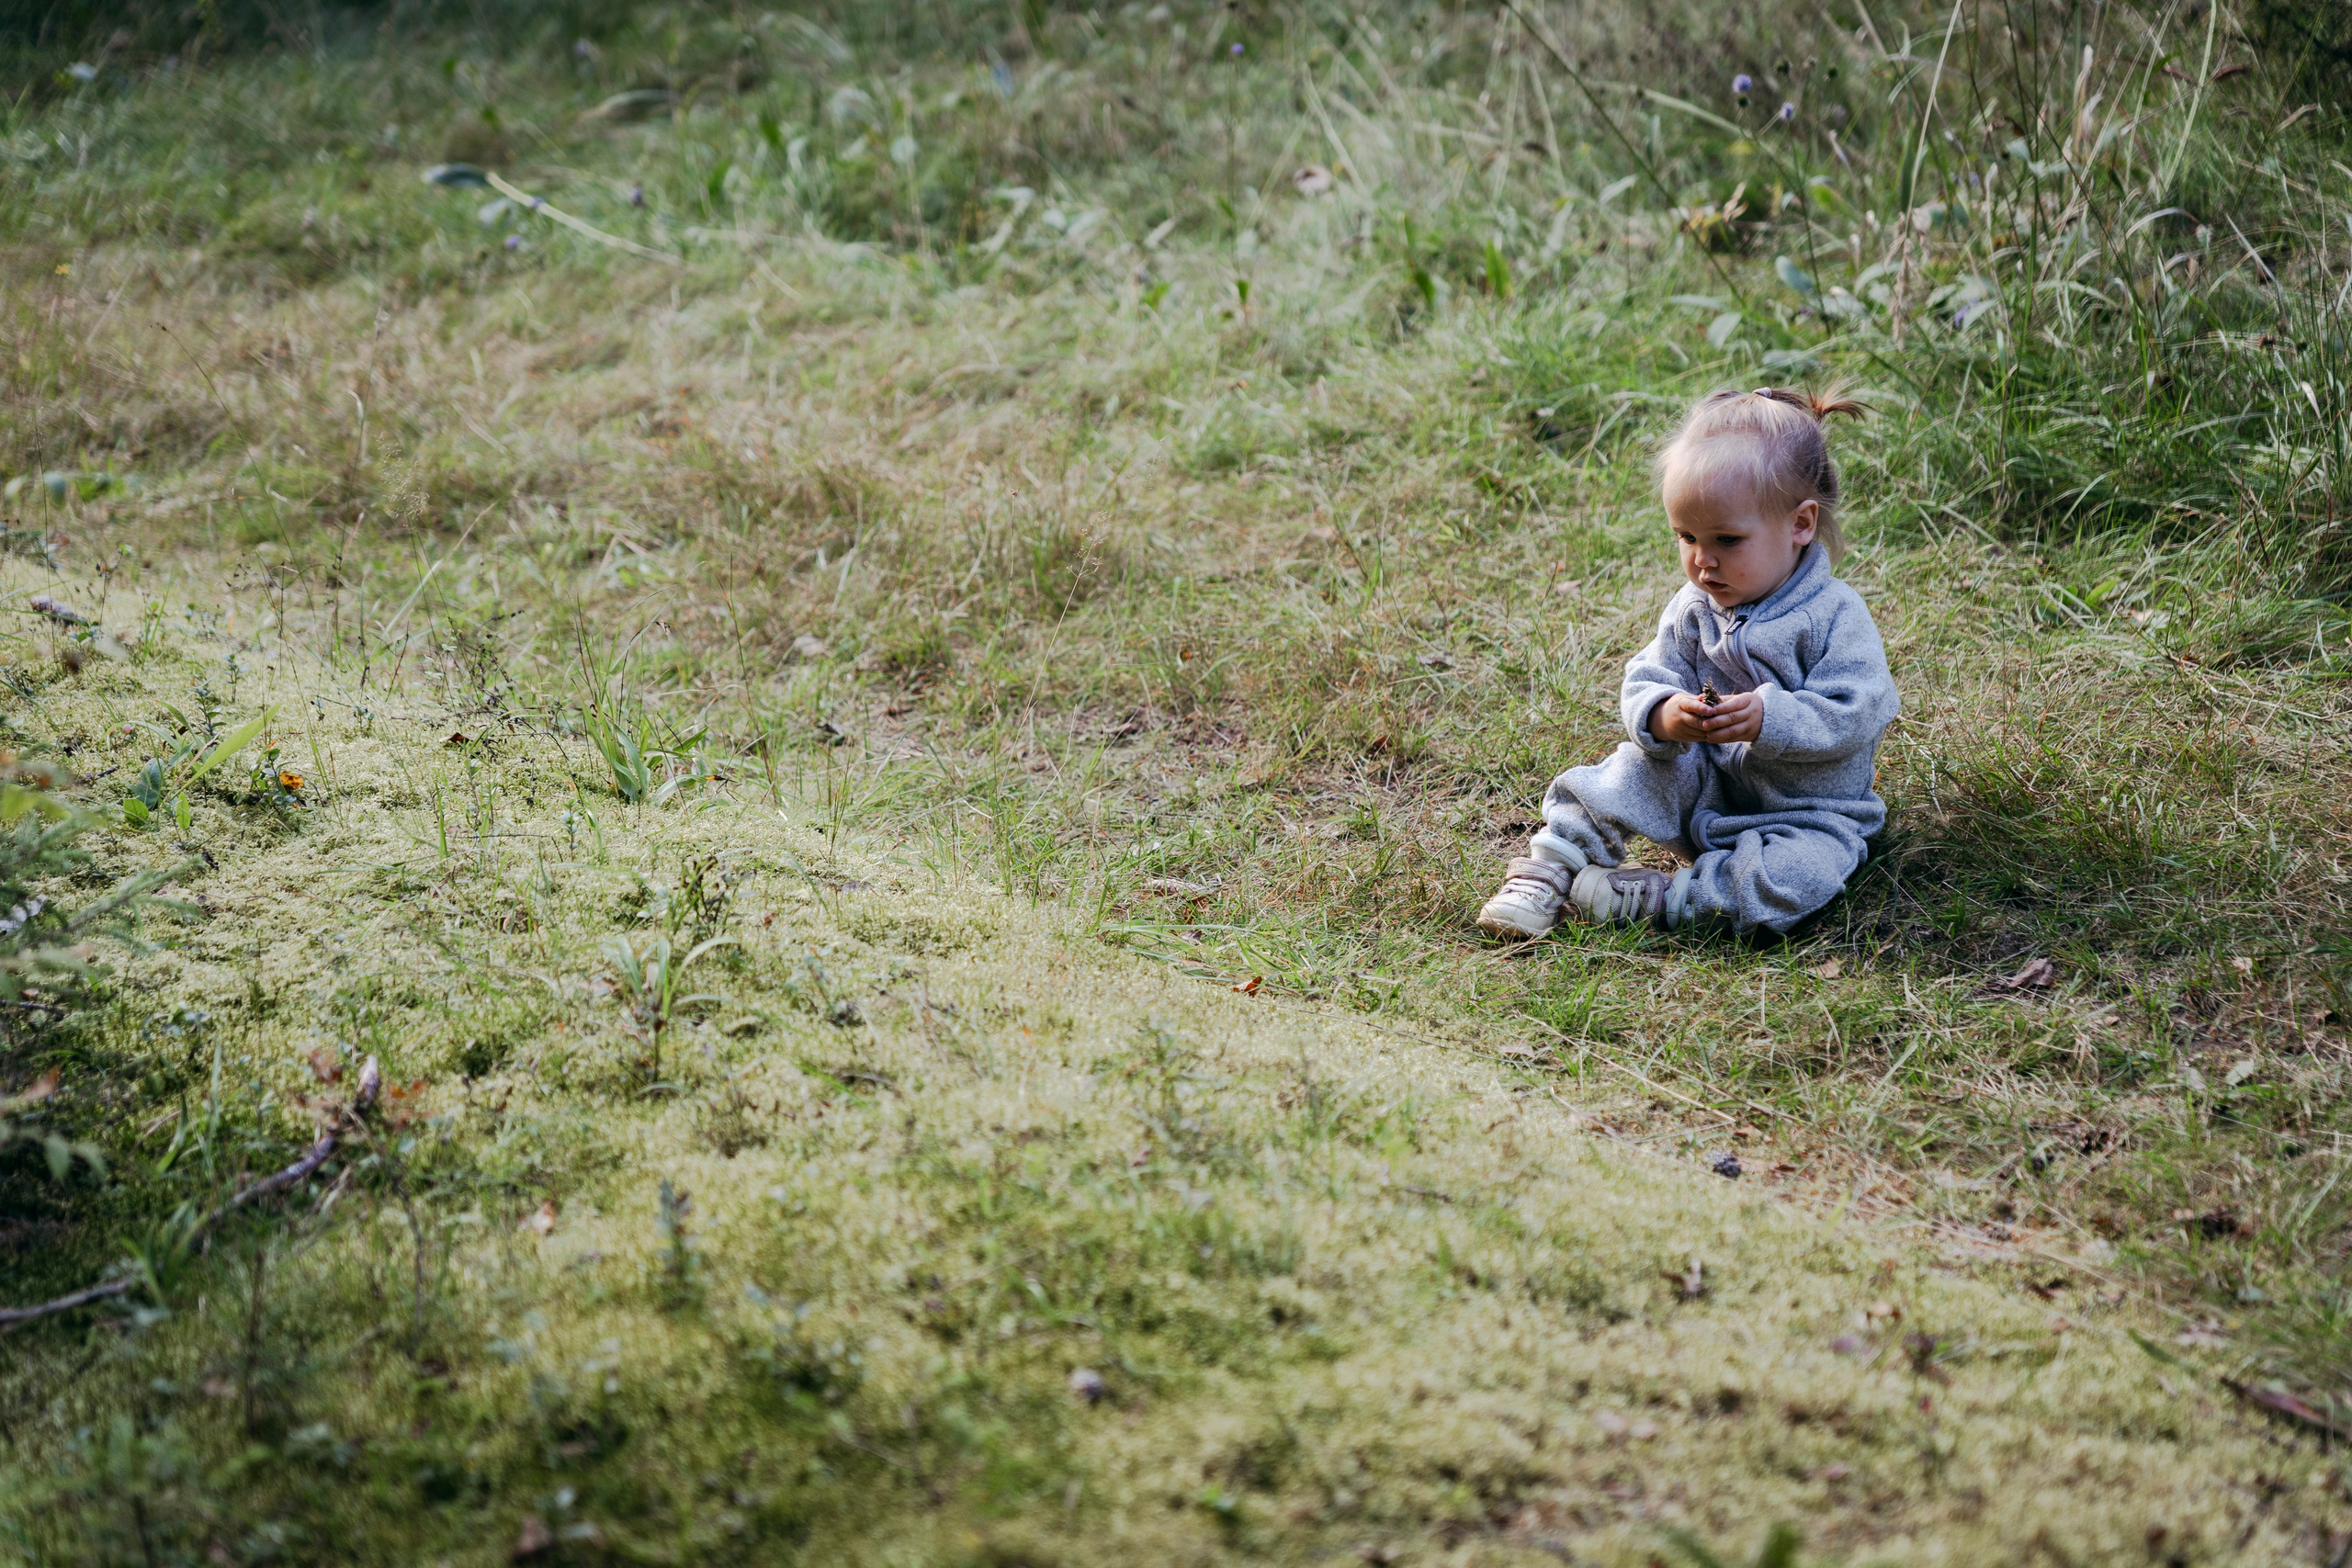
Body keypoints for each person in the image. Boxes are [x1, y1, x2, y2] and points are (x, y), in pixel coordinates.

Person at [1477, 386, 1898, 938]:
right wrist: (1663, 714)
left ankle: (1662, 898)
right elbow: (1648, 675)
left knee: (1801, 875)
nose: (1702, 561)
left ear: (1800, 524)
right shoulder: (1694, 607)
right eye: (1686, 536)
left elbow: (1859, 709)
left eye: (1727, 539)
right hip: (1704, 786)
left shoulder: (1834, 615)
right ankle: (1552, 864)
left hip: (1808, 814)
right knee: (1632, 768)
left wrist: (1770, 719)